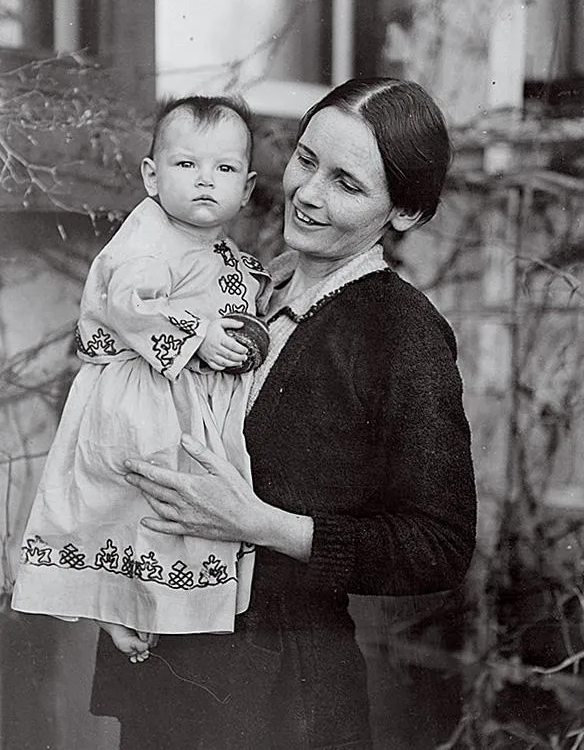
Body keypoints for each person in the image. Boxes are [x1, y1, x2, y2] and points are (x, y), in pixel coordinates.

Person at [91, 77, 477, 750]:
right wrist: (120, 584)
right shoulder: (228, 281)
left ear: (406, 212)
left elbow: (437, 545)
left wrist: (260, 523)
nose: (307, 192)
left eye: (347, 183)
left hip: (280, 694)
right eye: (305, 159)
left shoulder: (401, 333)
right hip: (165, 657)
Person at [12, 95, 271, 661]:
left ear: (246, 190)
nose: (205, 181)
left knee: (183, 514)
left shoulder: (220, 247)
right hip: (143, 395)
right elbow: (131, 303)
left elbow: (231, 294)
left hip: (189, 399)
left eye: (223, 169)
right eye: (186, 165)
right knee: (130, 506)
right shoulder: (146, 238)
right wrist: (200, 335)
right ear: (151, 176)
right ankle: (117, 610)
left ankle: (166, 611)